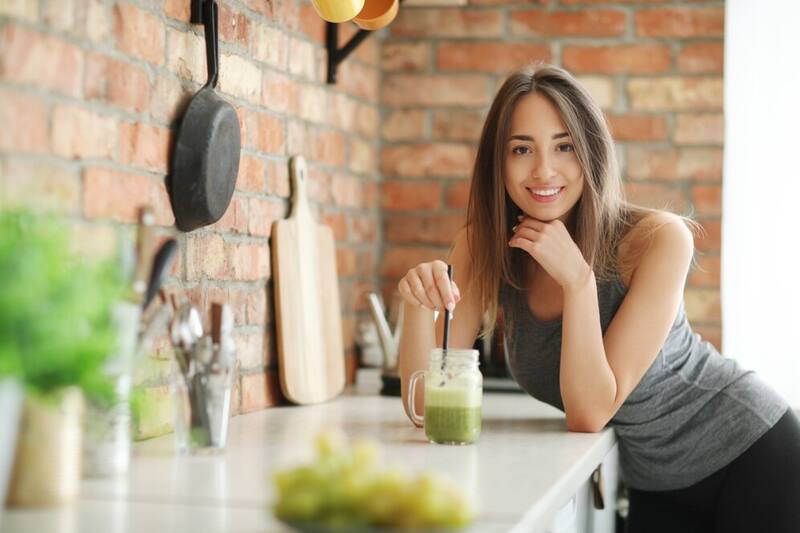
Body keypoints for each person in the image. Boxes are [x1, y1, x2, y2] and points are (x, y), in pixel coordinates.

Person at [396, 63, 800, 533]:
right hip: (655, 480)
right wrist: (416, 307)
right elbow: (424, 407)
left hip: (751, 454)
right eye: (521, 149)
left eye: (564, 146)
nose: (544, 170)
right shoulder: (482, 245)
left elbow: (590, 411)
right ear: (498, 163)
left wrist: (579, 282)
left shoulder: (658, 240)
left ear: (591, 151)